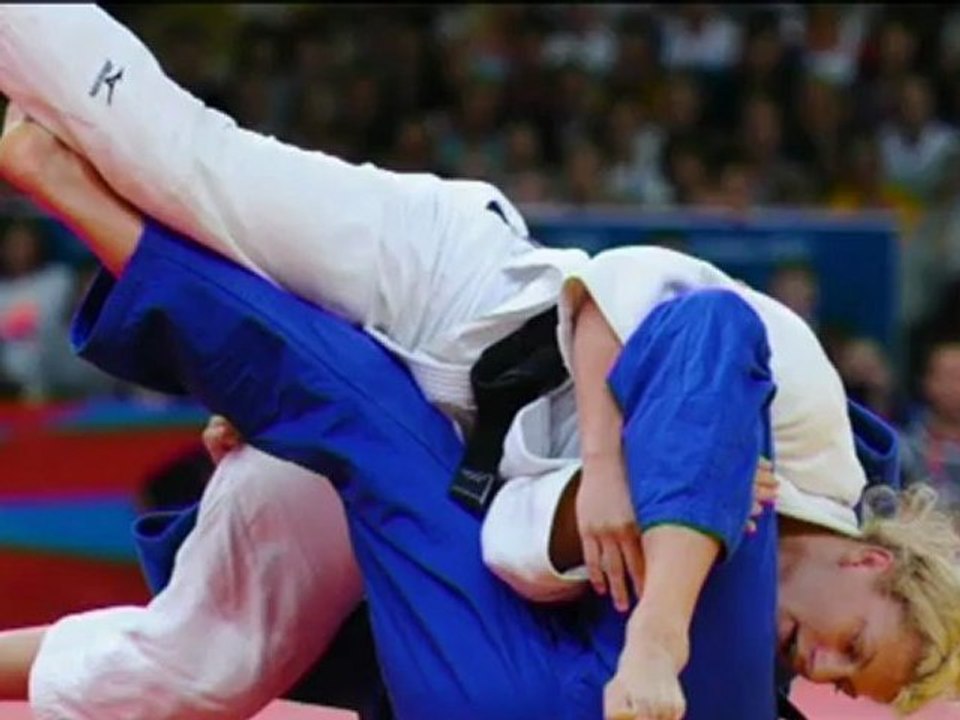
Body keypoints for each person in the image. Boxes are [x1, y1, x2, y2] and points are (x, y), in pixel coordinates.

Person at [1, 116, 958, 719]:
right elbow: (676, 319)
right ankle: (75, 192)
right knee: (347, 416)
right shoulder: (784, 435)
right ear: (873, 563)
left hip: (490, 655)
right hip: (497, 534)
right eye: (854, 648)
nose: (818, 664)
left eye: (840, 683)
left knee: (210, 654)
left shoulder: (755, 640)